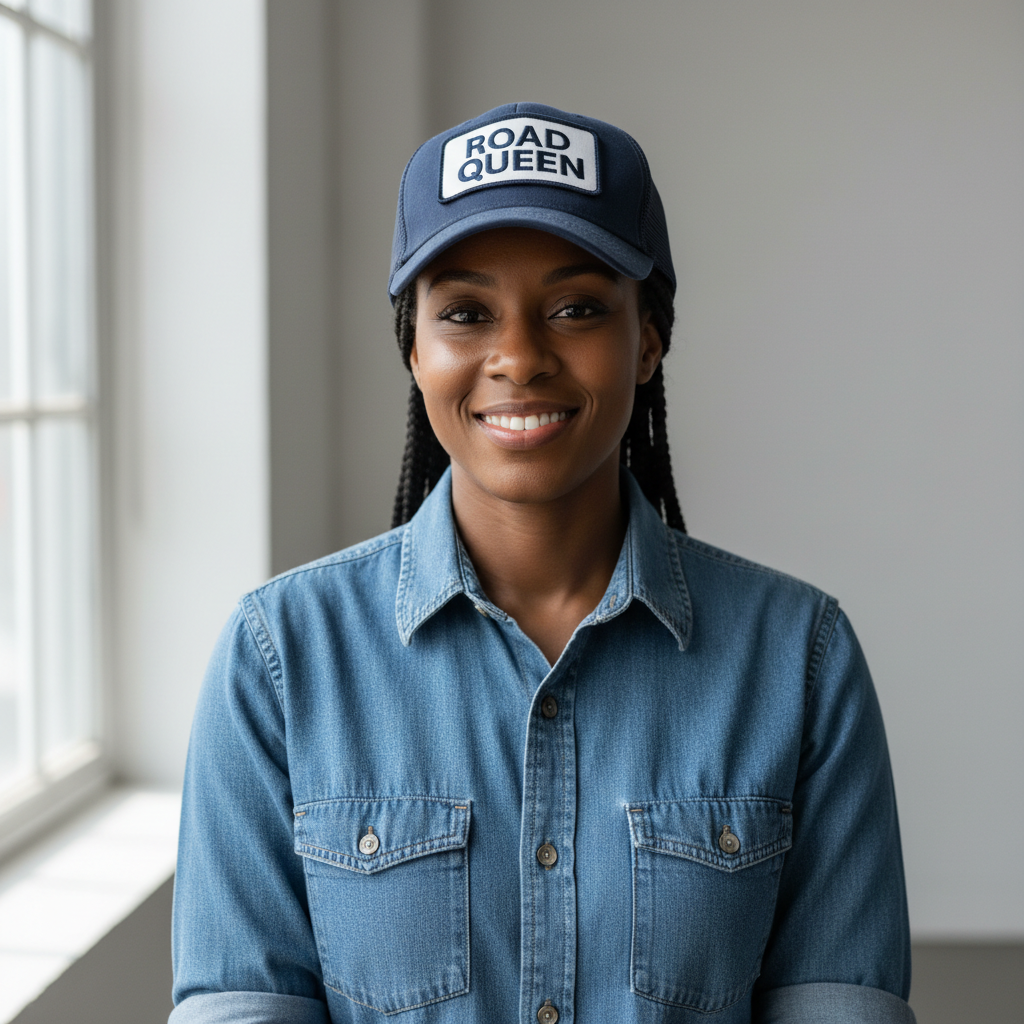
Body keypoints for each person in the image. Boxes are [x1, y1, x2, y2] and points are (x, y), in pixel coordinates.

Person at [170, 103, 915, 1024]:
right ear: (414, 348)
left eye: (576, 309)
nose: (518, 358)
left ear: (648, 339)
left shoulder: (802, 657)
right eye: (466, 313)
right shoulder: (276, 659)